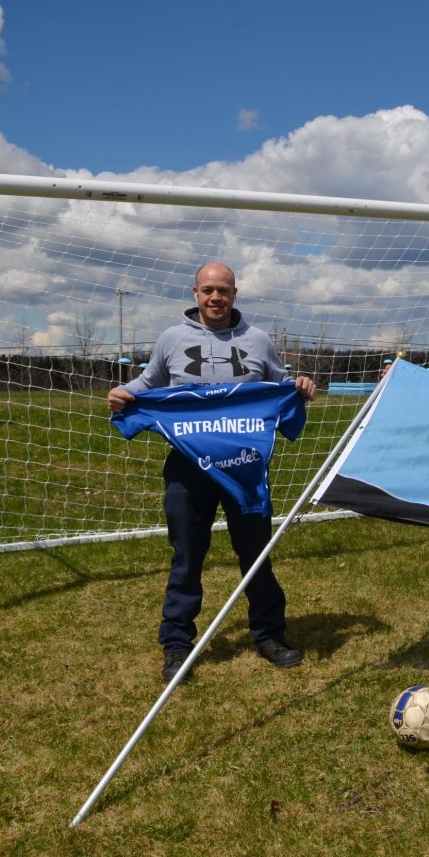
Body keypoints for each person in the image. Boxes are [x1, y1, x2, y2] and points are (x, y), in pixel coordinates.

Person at [107, 262, 316, 681]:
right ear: (195, 293)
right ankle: (177, 644)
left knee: (256, 555)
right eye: (208, 290)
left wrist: (301, 386)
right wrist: (124, 394)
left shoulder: (257, 340)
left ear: (235, 293)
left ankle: (269, 635)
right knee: (186, 557)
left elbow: (281, 383)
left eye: (223, 290)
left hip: (245, 470)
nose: (215, 297)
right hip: (188, 467)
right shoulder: (171, 339)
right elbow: (147, 383)